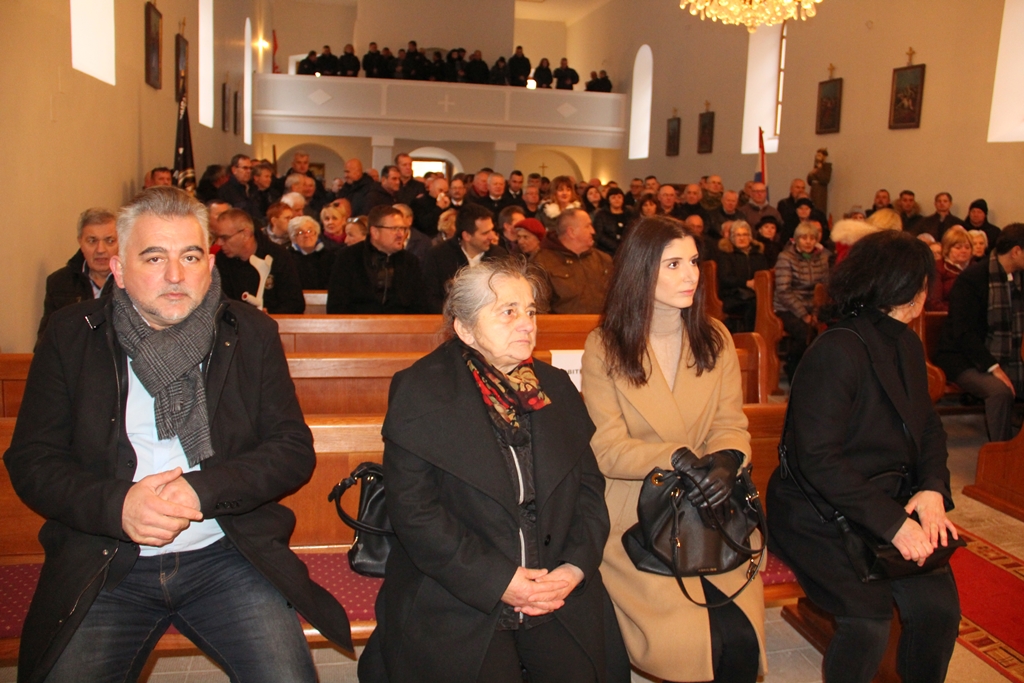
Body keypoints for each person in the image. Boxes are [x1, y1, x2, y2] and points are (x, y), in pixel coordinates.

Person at [6, 187, 352, 683]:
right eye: (154, 258)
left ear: (208, 265)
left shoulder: (249, 332)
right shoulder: (70, 334)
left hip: (227, 555)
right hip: (105, 561)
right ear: (119, 269)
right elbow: (33, 460)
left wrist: (201, 490)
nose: (175, 275)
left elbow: (291, 449)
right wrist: (119, 505)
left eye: (190, 256)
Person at [359, 257, 622, 683]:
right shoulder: (421, 390)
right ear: (465, 329)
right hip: (458, 591)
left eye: (530, 311)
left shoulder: (554, 387)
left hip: (555, 585)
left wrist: (574, 567)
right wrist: (500, 580)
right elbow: (415, 513)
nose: (526, 324)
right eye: (508, 312)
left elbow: (589, 490)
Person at [767, 230, 960, 683]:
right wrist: (893, 524)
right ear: (908, 290)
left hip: (884, 502)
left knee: (939, 609)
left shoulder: (906, 343)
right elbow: (818, 459)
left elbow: (928, 426)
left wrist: (932, 488)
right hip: (818, 514)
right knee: (868, 621)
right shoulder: (836, 350)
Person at [581, 216, 766, 683]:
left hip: (712, 506)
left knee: (739, 638)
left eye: (694, 262)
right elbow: (607, 448)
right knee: (690, 641)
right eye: (674, 264)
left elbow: (730, 424)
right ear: (641, 270)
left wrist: (725, 462)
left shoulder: (715, 337)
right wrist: (678, 459)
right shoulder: (606, 345)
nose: (691, 275)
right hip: (641, 509)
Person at [935, 223, 1024, 442]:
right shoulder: (973, 279)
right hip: (964, 358)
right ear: (1016, 251)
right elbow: (963, 332)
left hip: (1010, 356)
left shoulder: (1019, 277)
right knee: (999, 391)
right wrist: (993, 367)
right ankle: (1002, 451)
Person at [37, 207, 119, 345]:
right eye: (92, 241)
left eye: (109, 241)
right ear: (80, 242)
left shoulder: (133, 282)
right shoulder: (59, 282)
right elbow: (46, 341)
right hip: (73, 357)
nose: (100, 249)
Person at [326, 205, 429, 314]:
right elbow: (336, 305)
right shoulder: (348, 257)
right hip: (357, 322)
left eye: (403, 229)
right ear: (375, 232)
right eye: (394, 229)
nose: (401, 234)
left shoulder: (410, 261)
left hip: (401, 323)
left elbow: (421, 306)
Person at [211, 208, 306, 314]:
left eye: (224, 238)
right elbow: (218, 304)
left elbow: (295, 303)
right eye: (217, 237)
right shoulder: (220, 261)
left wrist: (270, 314)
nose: (218, 243)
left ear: (246, 234)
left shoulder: (278, 256)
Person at [423, 203, 508, 313]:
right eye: (485, 233)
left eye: (492, 230)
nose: (492, 237)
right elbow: (430, 298)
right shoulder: (438, 256)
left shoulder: (499, 255)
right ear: (466, 236)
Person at [774, 222, 831, 382]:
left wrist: (816, 313)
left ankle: (820, 376)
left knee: (830, 330)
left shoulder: (823, 257)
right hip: (788, 308)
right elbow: (783, 291)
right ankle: (795, 371)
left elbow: (823, 289)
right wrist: (804, 314)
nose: (808, 242)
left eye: (812, 238)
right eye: (804, 238)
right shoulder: (786, 257)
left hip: (814, 307)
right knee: (805, 333)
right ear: (796, 239)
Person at [534, 208, 613, 314]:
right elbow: (538, 308)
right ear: (571, 232)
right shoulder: (542, 261)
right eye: (587, 226)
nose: (593, 231)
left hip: (602, 323)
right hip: (562, 324)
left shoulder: (603, 259)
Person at [717, 220, 769, 332]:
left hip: (756, 293)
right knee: (753, 305)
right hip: (733, 295)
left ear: (750, 237)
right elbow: (725, 278)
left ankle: (763, 336)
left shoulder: (758, 255)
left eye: (745, 235)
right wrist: (746, 283)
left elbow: (764, 274)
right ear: (732, 238)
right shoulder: (726, 255)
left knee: (766, 304)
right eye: (738, 235)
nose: (742, 238)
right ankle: (749, 336)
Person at [926, 225, 972, 312]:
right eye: (958, 247)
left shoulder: (976, 268)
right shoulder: (938, 267)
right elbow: (933, 302)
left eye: (967, 247)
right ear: (947, 249)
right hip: (946, 314)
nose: (964, 251)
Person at [289, 215, 336, 290]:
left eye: (310, 231)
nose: (306, 235)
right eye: (300, 232)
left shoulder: (330, 256)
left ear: (316, 233)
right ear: (293, 237)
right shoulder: (287, 257)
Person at [593, 187, 632, 255]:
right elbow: (599, 235)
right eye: (613, 197)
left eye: (619, 197)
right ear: (608, 199)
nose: (617, 200)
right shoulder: (601, 214)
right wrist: (616, 246)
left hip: (627, 250)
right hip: (606, 251)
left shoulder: (629, 213)